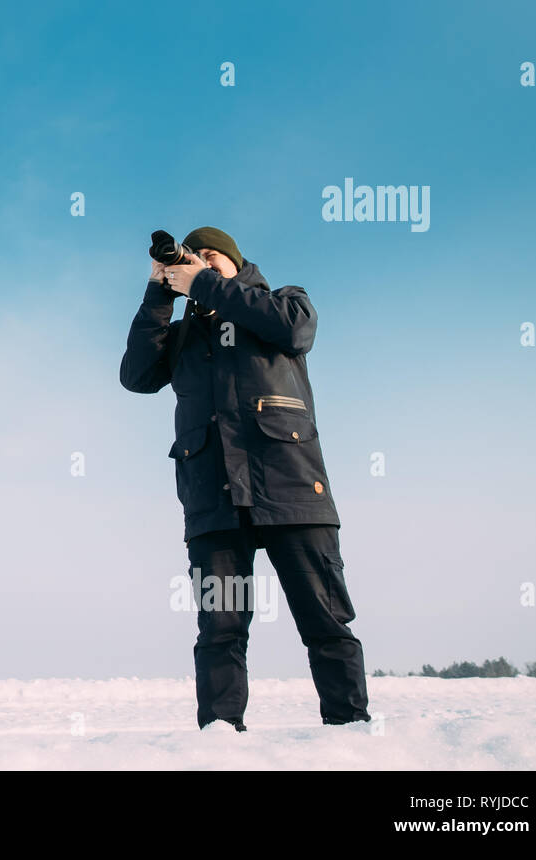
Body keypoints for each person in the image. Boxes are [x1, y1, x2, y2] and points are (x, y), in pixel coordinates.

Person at [119, 226, 370, 730]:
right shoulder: (185, 335)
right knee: (221, 629)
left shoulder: (282, 302)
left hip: (292, 491)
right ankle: (219, 743)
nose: (204, 265)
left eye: (213, 257)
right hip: (214, 500)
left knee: (325, 622)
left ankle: (350, 735)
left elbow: (296, 332)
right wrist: (158, 293)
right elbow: (137, 376)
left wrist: (204, 282)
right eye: (197, 259)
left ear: (237, 262)